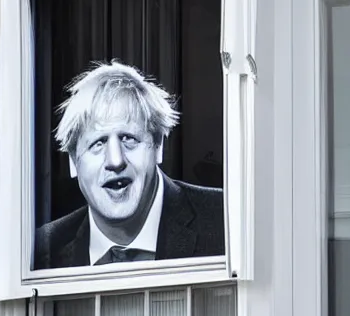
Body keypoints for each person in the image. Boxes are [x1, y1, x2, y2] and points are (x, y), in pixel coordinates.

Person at [34, 61, 224, 269]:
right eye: (98, 143)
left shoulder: (225, 221)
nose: (116, 161)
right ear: (72, 161)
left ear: (158, 145)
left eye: (129, 138)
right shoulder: (41, 251)